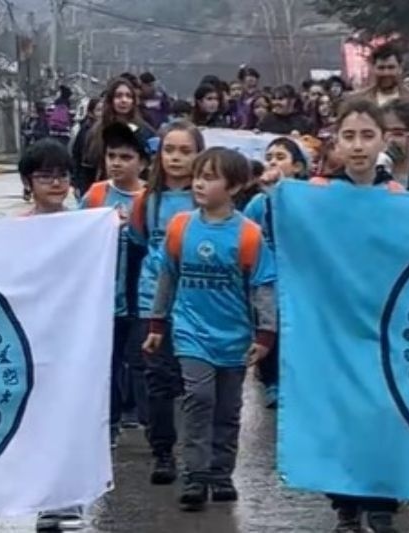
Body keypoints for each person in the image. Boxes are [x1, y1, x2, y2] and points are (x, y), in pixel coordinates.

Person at [319, 98, 409, 533]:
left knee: (385, 409)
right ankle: (345, 503)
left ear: (382, 141)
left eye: (367, 135)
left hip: (387, 321)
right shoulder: (320, 195)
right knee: (344, 413)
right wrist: (278, 191)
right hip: (337, 323)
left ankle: (381, 500)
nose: (358, 146)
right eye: (349, 136)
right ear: (336, 141)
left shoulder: (399, 196)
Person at [143, 147, 277, 512]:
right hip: (190, 332)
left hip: (234, 337)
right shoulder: (181, 227)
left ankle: (220, 473)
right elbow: (167, 278)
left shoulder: (249, 235)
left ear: (233, 187)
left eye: (210, 177)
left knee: (228, 408)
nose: (199, 183)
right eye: (198, 175)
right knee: (198, 398)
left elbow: (263, 287)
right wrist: (158, 324)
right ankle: (195, 474)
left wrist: (266, 335)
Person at [10, 139, 86, 531]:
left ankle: (68, 499)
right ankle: (45, 498)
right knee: (38, 420)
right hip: (31, 338)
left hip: (73, 339)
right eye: (45, 176)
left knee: (70, 416)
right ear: (28, 182)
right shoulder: (16, 229)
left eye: (62, 175)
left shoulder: (86, 225)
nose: (56, 183)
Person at [134, 121, 205, 486]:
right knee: (159, 380)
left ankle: (202, 458)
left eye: (185, 151)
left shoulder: (206, 199)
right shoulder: (148, 199)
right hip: (153, 304)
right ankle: (163, 451)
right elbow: (138, 242)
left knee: (196, 384)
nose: (176, 158)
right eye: (169, 150)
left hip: (198, 304)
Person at [78, 122, 150, 448]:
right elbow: (74, 234)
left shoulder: (150, 198)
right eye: (111, 156)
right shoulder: (96, 194)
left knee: (137, 359)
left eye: (125, 156)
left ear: (143, 162)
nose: (117, 163)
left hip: (138, 295)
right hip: (102, 295)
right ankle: (110, 422)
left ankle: (142, 415)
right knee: (105, 360)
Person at [243, 138, 309, 408]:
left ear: (297, 167)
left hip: (301, 278)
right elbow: (245, 232)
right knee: (271, 326)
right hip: (269, 279)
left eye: (280, 157)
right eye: (269, 157)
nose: (272, 162)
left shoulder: (309, 198)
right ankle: (271, 381)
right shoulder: (259, 203)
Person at [81, 77, 158, 195]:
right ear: (111, 100)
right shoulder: (96, 131)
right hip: (102, 193)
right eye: (119, 96)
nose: (124, 100)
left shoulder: (145, 130)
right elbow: (85, 166)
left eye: (128, 96)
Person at [70, 96, 102, 197]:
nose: (102, 113)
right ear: (91, 112)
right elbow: (77, 156)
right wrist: (76, 183)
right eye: (99, 110)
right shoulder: (85, 131)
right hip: (87, 180)